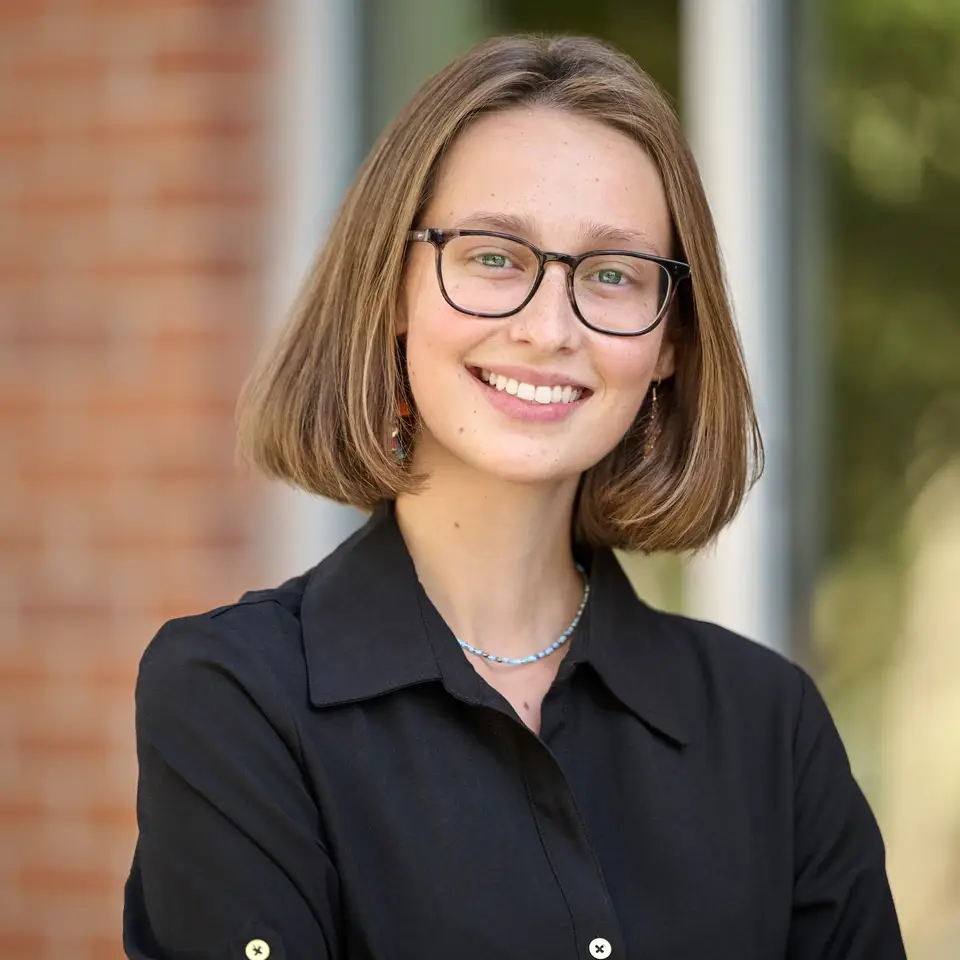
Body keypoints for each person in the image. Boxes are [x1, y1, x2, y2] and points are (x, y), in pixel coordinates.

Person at [123, 33, 906, 960]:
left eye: (613, 275)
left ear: (669, 347)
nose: (549, 328)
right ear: (393, 290)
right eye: (494, 256)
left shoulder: (769, 728)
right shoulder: (237, 698)